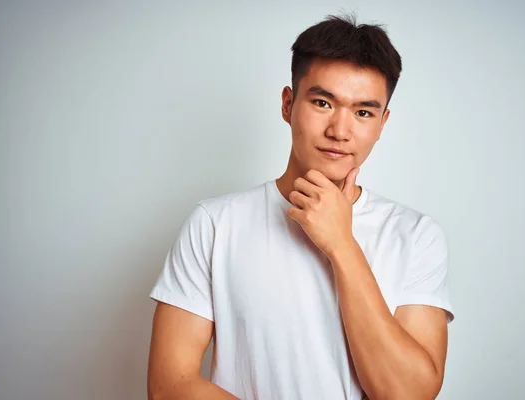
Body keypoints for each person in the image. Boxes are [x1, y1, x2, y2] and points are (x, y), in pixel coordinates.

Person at [147, 14, 454, 400]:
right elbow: (168, 385)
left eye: (363, 112)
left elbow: (409, 394)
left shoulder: (416, 235)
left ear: (381, 123)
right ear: (288, 104)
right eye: (323, 102)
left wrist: (342, 245)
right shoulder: (215, 224)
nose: (340, 131)